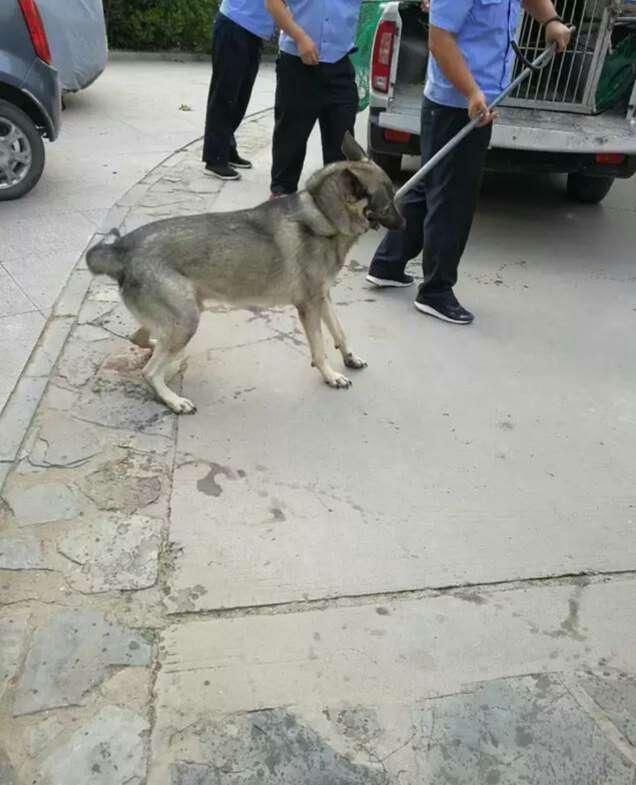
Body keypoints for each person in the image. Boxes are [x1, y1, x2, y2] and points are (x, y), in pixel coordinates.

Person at [366, 0, 571, 324]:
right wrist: (472, 93)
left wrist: (551, 20)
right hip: (458, 104)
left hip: (477, 97)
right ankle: (435, 293)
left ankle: (388, 265)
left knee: (432, 183)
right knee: (453, 200)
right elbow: (440, 39)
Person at [265, 0, 363, 197]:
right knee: (290, 138)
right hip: (296, 64)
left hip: (340, 65)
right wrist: (300, 37)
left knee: (342, 142)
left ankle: (337, 205)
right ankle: (281, 197)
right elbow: (273, 3)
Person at [202, 0, 275, 180]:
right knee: (225, 94)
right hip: (235, 23)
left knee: (240, 96)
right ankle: (215, 158)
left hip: (253, 31)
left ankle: (226, 147)